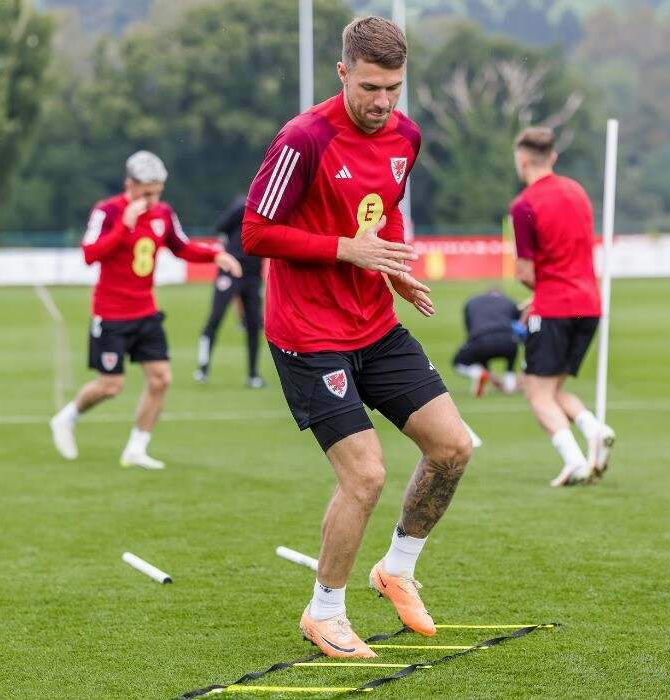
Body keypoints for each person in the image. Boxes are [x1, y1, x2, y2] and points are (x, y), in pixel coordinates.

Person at [242, 17, 472, 659]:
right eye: (370, 87)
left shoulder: (406, 135)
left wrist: (393, 266)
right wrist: (347, 250)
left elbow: (387, 204)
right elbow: (256, 233)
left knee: (453, 446)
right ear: (342, 72)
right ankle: (324, 611)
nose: (382, 103)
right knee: (366, 475)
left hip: (374, 325)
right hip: (309, 335)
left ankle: (397, 568)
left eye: (394, 88)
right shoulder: (302, 139)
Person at [49, 151, 241, 469]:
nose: (152, 200)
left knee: (161, 379)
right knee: (111, 385)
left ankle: (136, 448)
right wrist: (124, 226)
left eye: (157, 192)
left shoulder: (163, 213)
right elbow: (90, 254)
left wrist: (214, 255)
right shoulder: (107, 211)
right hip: (111, 314)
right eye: (146, 192)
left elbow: (181, 246)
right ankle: (66, 418)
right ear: (129, 184)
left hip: (146, 312)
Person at [510, 127, 615, 487]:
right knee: (553, 390)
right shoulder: (578, 192)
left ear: (522, 160)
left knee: (536, 393)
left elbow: (525, 272)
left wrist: (542, 293)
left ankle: (574, 461)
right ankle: (593, 428)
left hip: (555, 307)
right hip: (589, 304)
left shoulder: (524, 205)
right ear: (552, 157)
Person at [193, 195, 265, 388]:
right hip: (231, 269)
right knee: (215, 319)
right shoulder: (244, 205)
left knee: (254, 325)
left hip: (253, 274)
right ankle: (202, 369)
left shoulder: (269, 209)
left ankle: (253, 375)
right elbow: (221, 226)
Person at [452, 288, 523, 397]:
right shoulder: (509, 301)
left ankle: (478, 373)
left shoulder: (472, 301)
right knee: (511, 355)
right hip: (508, 341)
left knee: (458, 362)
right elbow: (520, 325)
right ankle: (510, 384)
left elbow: (470, 330)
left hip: (481, 340)